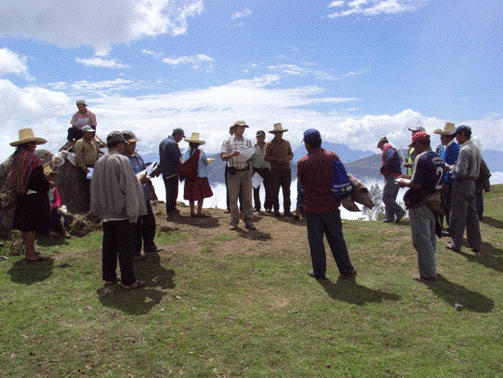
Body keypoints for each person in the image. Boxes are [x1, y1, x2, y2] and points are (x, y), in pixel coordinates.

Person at [90, 130, 147, 290]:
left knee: (109, 246)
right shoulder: (122, 161)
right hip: (121, 211)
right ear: (120, 144)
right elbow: (128, 186)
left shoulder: (99, 162)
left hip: (106, 212)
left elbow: (94, 187)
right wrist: (134, 210)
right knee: (125, 248)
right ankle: (129, 281)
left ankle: (109, 277)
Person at [297, 129, 356, 280]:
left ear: (307, 144)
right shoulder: (332, 156)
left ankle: (319, 272)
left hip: (313, 207)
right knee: (337, 239)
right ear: (320, 141)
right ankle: (347, 270)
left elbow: (302, 183)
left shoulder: (303, 162)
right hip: (332, 205)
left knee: (316, 242)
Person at [397, 131, 445, 283]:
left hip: (421, 202)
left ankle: (428, 274)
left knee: (421, 240)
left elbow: (417, 184)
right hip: (435, 201)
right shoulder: (438, 158)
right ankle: (429, 267)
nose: (414, 149)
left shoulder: (421, 158)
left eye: (414, 146)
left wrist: (403, 182)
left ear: (419, 144)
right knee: (430, 237)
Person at [8, 128, 51, 261]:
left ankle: (30, 251)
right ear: (28, 144)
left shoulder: (16, 157)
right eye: (33, 143)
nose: (35, 146)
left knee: (25, 226)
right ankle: (30, 254)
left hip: (21, 195)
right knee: (31, 226)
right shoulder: (33, 159)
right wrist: (48, 184)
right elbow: (37, 180)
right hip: (33, 197)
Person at [122, 130, 160, 259]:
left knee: (149, 220)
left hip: (144, 194)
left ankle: (149, 245)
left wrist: (151, 173)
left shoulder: (137, 156)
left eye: (134, 143)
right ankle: (135, 251)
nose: (134, 146)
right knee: (136, 224)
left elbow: (144, 171)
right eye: (131, 143)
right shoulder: (123, 159)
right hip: (133, 196)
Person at [445, 125, 482, 253]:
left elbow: (460, 172)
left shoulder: (464, 150)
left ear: (463, 135)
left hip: (462, 184)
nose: (456, 139)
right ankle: (476, 244)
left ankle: (456, 243)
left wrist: (449, 167)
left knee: (457, 215)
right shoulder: (475, 149)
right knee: (472, 216)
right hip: (472, 183)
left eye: (457, 136)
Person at [220, 120, 256, 230]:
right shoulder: (227, 141)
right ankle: (234, 222)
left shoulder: (247, 141)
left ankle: (249, 221)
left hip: (245, 171)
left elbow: (251, 157)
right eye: (240, 128)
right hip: (233, 172)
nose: (242, 130)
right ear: (235, 128)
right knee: (233, 199)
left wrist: (247, 156)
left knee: (248, 198)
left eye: (244, 128)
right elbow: (223, 157)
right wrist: (232, 155)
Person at [179, 133, 213, 217]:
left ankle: (191, 212)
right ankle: (199, 212)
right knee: (201, 195)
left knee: (191, 195)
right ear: (198, 144)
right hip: (200, 176)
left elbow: (182, 162)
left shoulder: (185, 153)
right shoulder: (201, 152)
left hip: (190, 177)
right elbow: (205, 162)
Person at [433, 122, 459, 227]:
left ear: (448, 137)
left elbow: (452, 167)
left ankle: (452, 228)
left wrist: (447, 182)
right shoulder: (443, 148)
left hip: (449, 182)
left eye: (442, 136)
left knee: (449, 206)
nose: (440, 138)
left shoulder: (454, 148)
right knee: (443, 205)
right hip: (442, 180)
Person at [264, 123, 294, 217]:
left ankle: (287, 211)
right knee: (275, 191)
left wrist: (287, 159)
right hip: (275, 170)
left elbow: (291, 154)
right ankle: (276, 210)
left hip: (286, 170)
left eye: (281, 132)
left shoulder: (286, 143)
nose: (280, 134)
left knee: (287, 191)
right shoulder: (270, 144)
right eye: (278, 133)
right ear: (275, 133)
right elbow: (265, 157)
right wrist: (276, 160)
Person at [377, 136, 406, 223]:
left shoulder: (388, 148)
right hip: (396, 175)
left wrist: (385, 168)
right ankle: (389, 218)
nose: (380, 148)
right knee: (390, 197)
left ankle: (400, 212)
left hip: (392, 176)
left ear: (382, 143)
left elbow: (390, 158)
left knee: (386, 197)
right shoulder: (390, 149)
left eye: (379, 146)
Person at [159, 128, 185, 218]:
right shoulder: (173, 144)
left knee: (169, 190)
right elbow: (178, 159)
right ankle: (171, 210)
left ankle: (170, 208)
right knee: (173, 191)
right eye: (181, 137)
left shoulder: (163, 142)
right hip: (172, 171)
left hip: (165, 171)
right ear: (178, 135)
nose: (181, 139)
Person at [74, 125, 99, 210]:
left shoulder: (93, 142)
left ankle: (95, 204)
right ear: (84, 133)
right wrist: (84, 168)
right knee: (87, 187)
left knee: (95, 186)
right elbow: (78, 157)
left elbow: (99, 151)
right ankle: (88, 206)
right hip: (85, 168)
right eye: (88, 133)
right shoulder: (80, 143)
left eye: (91, 133)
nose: (91, 135)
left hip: (94, 167)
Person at [45, 165, 71, 238]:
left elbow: (57, 196)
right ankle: (49, 231)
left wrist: (58, 204)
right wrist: (52, 205)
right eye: (49, 175)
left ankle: (64, 230)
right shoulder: (41, 187)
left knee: (61, 212)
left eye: (51, 176)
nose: (50, 177)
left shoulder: (54, 186)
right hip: (45, 205)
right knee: (49, 213)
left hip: (53, 204)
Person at [251, 130, 272, 213]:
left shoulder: (268, 146)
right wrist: (251, 171)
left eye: (262, 136)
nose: (260, 138)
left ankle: (268, 207)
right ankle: (257, 207)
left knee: (268, 189)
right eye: (259, 136)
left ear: (264, 137)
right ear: (256, 137)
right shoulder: (253, 148)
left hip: (267, 170)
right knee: (256, 190)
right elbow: (250, 160)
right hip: (256, 170)